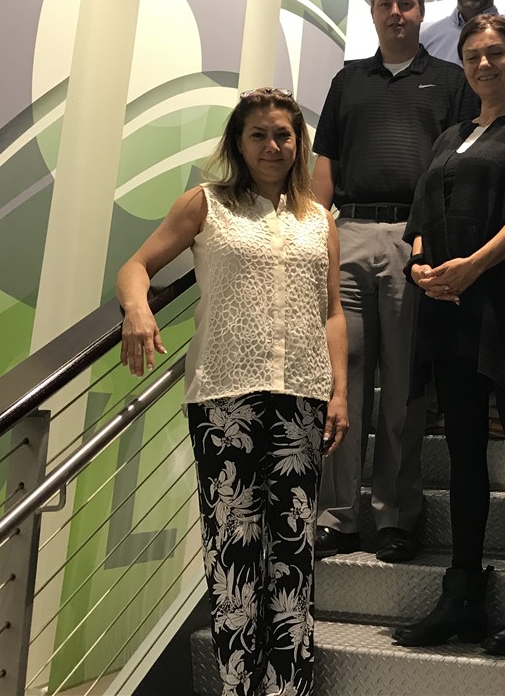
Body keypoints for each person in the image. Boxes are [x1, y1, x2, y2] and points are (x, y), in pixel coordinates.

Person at [116, 88, 349, 696]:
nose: (273, 146)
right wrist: (138, 310)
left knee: (293, 549)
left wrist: (339, 391)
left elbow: (332, 312)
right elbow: (136, 266)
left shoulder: (318, 218)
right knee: (234, 549)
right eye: (259, 135)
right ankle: (239, 686)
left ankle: (289, 688)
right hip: (225, 395)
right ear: (238, 143)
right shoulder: (205, 204)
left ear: (299, 143)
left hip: (301, 392)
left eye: (284, 135)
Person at [392, 15, 505, 655]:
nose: (484, 65)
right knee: (463, 452)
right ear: (461, 65)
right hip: (447, 310)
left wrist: (471, 267)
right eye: (472, 55)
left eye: (496, 53)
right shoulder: (450, 136)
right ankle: (462, 591)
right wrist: (420, 264)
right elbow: (419, 218)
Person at [311, 0, 478, 563]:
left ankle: (396, 515)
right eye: (387, 3)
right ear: (374, 9)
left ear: (422, 6)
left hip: (415, 239)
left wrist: (435, 242)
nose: (398, 13)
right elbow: (323, 164)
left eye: (408, 3)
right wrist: (316, 232)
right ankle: (338, 513)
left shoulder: (453, 81)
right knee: (343, 378)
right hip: (348, 233)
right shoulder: (347, 81)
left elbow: (460, 165)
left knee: (404, 386)